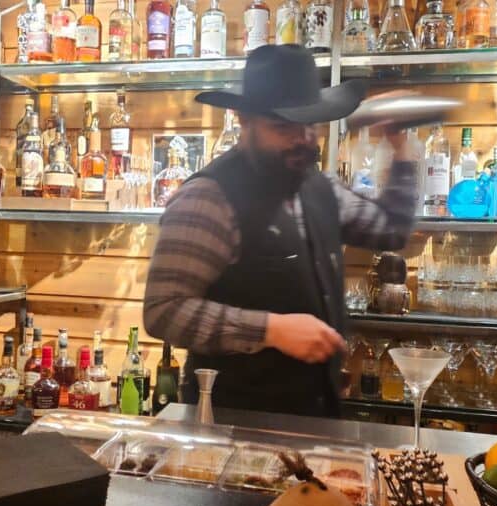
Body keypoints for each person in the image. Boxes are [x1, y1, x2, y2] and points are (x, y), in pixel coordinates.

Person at [143, 44, 421, 418]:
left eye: (310, 125)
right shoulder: (209, 197)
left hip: (314, 420)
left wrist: (400, 148)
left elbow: (391, 231)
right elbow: (164, 311)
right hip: (230, 430)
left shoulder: (320, 186)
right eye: (283, 126)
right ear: (243, 119)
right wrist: (269, 329)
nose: (303, 139)